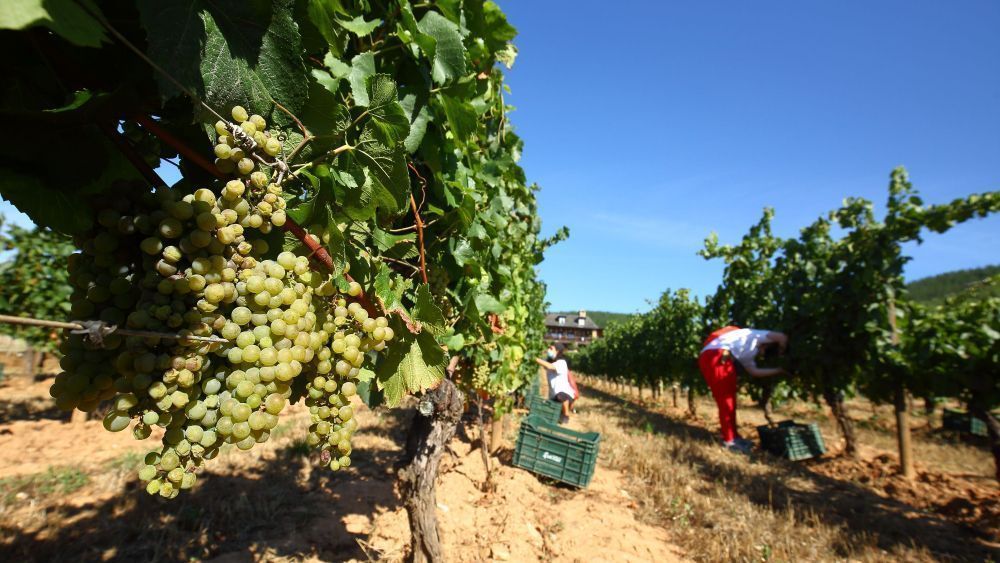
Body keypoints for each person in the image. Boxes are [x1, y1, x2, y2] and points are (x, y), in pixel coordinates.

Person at [698, 326, 788, 453]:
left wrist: (778, 370)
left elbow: (754, 371)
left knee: (729, 401)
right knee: (726, 401)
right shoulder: (754, 334)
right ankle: (729, 440)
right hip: (717, 355)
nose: (762, 354)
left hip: (717, 357)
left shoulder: (748, 352)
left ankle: (733, 437)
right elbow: (782, 337)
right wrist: (782, 353)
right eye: (764, 350)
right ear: (767, 344)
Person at [536, 343, 574, 424]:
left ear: (557, 351)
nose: (549, 350)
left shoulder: (562, 363)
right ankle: (560, 414)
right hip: (554, 396)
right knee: (549, 411)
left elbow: (549, 366)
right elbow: (545, 364)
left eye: (551, 349)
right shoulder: (552, 362)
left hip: (565, 395)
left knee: (561, 396)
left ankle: (566, 415)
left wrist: (535, 359)